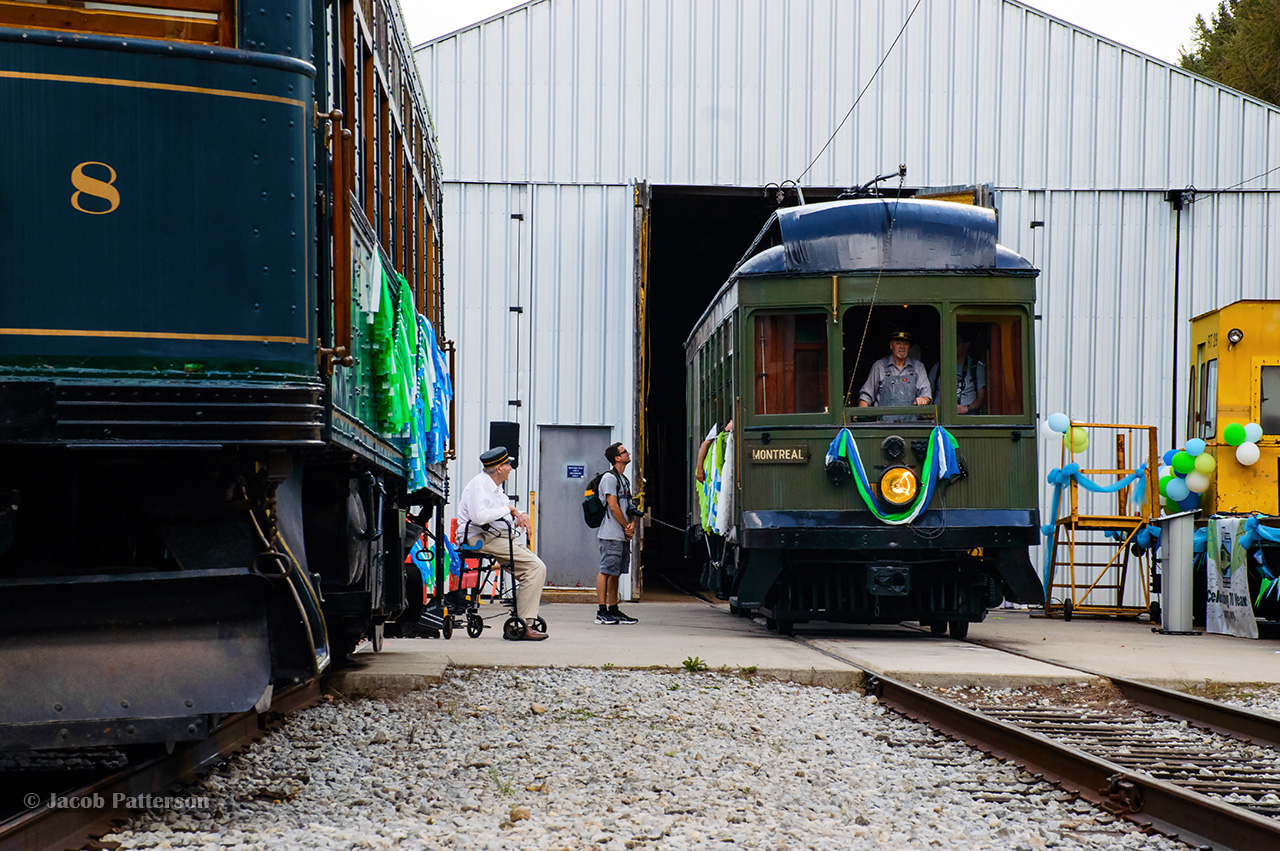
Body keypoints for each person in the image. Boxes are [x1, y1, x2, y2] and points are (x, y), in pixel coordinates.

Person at [456, 446, 548, 640]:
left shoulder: (495, 487)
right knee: (535, 567)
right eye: (508, 464)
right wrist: (511, 510)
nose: (511, 468)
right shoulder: (479, 485)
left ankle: (525, 619)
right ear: (499, 468)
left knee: (536, 568)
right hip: (480, 537)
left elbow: (506, 506)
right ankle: (524, 623)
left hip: (496, 536)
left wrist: (520, 513)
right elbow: (479, 516)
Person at [595, 442, 639, 625]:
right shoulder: (609, 478)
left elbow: (628, 506)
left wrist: (632, 524)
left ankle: (614, 609)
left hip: (621, 534)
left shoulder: (624, 479)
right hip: (611, 534)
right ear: (617, 458)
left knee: (615, 573)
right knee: (606, 571)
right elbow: (613, 506)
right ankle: (601, 611)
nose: (628, 453)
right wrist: (625, 527)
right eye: (624, 452)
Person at [857, 330, 932, 409]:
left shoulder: (918, 367)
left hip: (911, 420)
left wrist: (924, 400)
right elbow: (866, 396)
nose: (902, 347)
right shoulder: (879, 366)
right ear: (891, 345)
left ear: (909, 346)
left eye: (905, 344)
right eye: (898, 343)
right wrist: (861, 415)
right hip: (884, 421)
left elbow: (926, 394)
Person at [929, 327, 987, 415]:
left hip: (967, 421)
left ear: (966, 345)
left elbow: (982, 397)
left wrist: (967, 408)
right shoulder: (937, 367)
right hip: (941, 420)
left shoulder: (976, 367)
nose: (951, 346)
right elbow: (929, 395)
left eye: (955, 343)